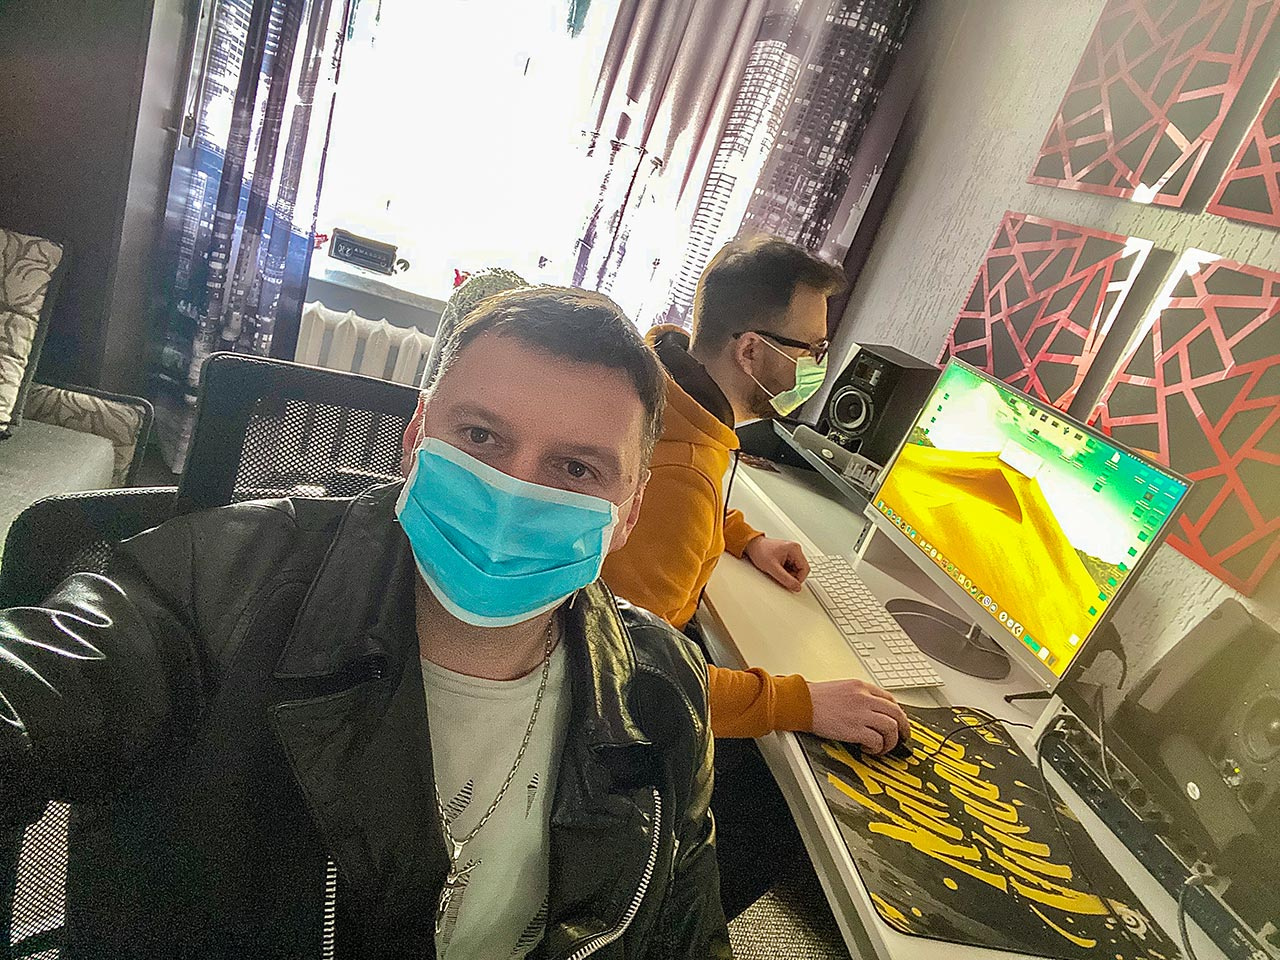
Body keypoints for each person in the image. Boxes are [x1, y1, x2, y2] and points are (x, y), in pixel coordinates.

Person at [0, 288, 730, 959]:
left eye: (575, 470)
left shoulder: (663, 691)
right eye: (480, 436)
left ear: (629, 512)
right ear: (415, 439)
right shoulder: (210, 587)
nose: (512, 495)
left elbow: (687, 935)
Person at [600, 236, 911, 917]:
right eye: (811, 349)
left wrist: (744, 537)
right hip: (606, 727)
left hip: (639, 641)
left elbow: (689, 494)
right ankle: (658, 923)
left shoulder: (670, 384)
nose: (818, 367)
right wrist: (803, 703)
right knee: (789, 793)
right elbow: (632, 681)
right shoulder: (683, 472)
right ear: (750, 351)